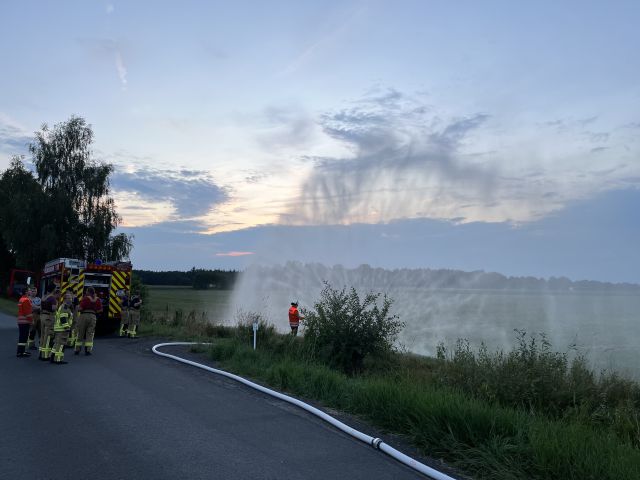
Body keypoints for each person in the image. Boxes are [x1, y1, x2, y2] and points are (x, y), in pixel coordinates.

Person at [75, 287, 102, 356]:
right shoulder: (97, 299)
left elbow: (80, 309)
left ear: (88, 292)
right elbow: (100, 310)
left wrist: (77, 308)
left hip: (84, 316)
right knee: (90, 334)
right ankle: (88, 350)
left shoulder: (85, 298)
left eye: (86, 291)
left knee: (80, 333)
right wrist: (94, 311)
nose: (86, 292)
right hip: (93, 316)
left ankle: (77, 349)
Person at [51, 292, 73, 364]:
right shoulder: (65, 307)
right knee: (61, 344)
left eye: (71, 298)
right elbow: (63, 318)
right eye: (69, 298)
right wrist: (67, 327)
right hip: (62, 329)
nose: (70, 300)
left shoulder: (62, 306)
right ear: (64, 299)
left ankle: (52, 358)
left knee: (56, 344)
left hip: (58, 328)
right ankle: (58, 359)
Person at [39, 285, 59, 361]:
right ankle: (45, 355)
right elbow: (53, 308)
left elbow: (40, 308)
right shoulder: (52, 298)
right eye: (55, 288)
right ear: (53, 290)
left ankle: (40, 353)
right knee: (48, 336)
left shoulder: (43, 297)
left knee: (42, 335)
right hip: (49, 317)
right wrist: (56, 305)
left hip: (42, 316)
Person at [17, 288, 34, 357]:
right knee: (24, 337)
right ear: (26, 292)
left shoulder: (21, 299)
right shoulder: (26, 300)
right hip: (25, 321)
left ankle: (21, 351)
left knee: (22, 336)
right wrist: (31, 321)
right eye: (29, 290)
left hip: (21, 320)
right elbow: (28, 313)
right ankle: (21, 352)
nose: (31, 291)